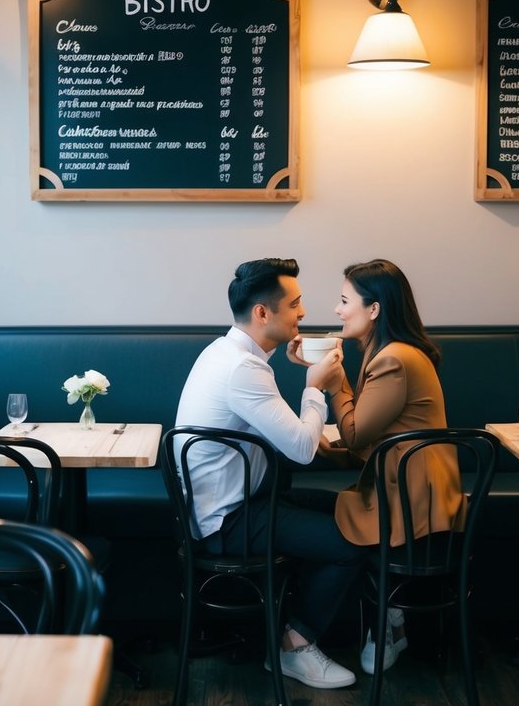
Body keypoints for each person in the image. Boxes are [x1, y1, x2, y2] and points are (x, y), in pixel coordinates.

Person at [174, 257, 364, 689]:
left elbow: (283, 432)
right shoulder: (243, 369)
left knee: (353, 507)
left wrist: (294, 362)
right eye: (295, 304)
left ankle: (297, 630)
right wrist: (315, 386)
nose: (302, 313)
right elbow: (299, 449)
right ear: (263, 312)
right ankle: (294, 648)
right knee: (350, 541)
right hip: (229, 520)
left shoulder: (228, 352)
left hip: (231, 505)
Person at [316, 258, 463, 674]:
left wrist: (332, 384)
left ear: (374, 309)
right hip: (408, 486)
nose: (338, 310)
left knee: (319, 526)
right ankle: (387, 620)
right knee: (310, 510)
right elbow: (373, 438)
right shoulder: (387, 352)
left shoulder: (393, 359)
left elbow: (358, 433)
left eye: (345, 301)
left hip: (413, 502)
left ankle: (388, 623)